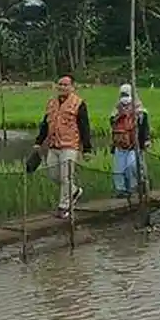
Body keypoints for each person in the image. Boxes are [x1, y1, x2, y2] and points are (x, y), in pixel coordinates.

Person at [34, 75, 92, 219]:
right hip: (54, 144)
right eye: (60, 84)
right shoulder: (52, 103)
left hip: (70, 145)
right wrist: (38, 142)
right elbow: (45, 124)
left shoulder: (78, 104)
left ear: (72, 87)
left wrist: (87, 148)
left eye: (66, 85)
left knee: (66, 176)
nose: (62, 87)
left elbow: (84, 126)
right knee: (53, 175)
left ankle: (63, 207)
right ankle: (75, 191)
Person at [109, 83, 151, 197]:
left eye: (127, 95)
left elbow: (145, 128)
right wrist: (120, 115)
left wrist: (146, 140)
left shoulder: (141, 112)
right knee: (118, 169)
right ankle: (121, 190)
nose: (125, 98)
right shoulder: (116, 111)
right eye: (123, 95)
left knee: (132, 166)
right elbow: (112, 125)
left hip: (134, 144)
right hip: (119, 144)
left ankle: (133, 187)